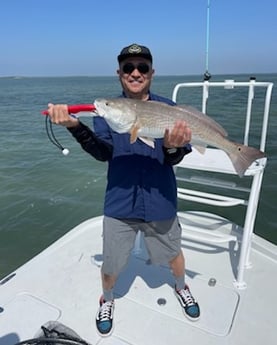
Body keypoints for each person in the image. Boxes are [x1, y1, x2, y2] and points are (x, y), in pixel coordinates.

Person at [47, 43, 200, 337]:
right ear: (119, 74)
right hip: (119, 203)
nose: (135, 72)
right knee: (112, 262)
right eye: (128, 67)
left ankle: (182, 287)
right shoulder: (108, 111)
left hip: (160, 199)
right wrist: (74, 126)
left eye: (142, 67)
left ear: (151, 73)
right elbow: (103, 152)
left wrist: (171, 147)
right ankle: (108, 299)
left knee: (173, 253)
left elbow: (177, 157)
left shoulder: (169, 109)